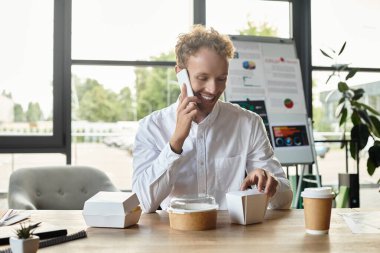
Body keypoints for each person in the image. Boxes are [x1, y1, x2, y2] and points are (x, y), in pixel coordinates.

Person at [132, 25, 293, 213]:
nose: (213, 89)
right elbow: (142, 203)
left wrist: (271, 183)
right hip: (176, 235)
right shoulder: (151, 127)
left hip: (232, 237)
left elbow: (285, 201)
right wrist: (176, 142)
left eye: (221, 78)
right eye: (202, 77)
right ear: (180, 74)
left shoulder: (248, 123)